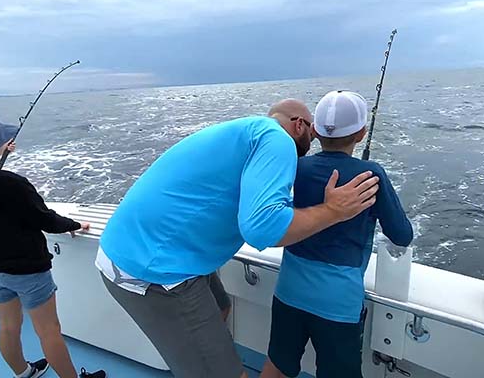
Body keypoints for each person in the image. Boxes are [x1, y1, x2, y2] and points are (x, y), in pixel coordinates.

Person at [96, 98, 381, 378]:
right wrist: (333, 210)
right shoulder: (278, 139)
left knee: (221, 307)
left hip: (152, 248)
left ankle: (205, 362)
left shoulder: (248, 132)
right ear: (298, 126)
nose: (316, 136)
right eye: (312, 128)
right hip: (154, 269)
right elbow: (262, 228)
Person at [0, 107, 106, 378]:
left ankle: (23, 372)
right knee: (48, 330)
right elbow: (44, 219)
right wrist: (74, 225)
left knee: (8, 326)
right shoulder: (9, 182)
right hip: (27, 272)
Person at [260, 91, 414, 378]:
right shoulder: (371, 175)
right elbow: (402, 235)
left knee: (277, 366)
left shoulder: (296, 166)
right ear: (361, 134)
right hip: (338, 303)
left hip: (288, 291)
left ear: (315, 131)